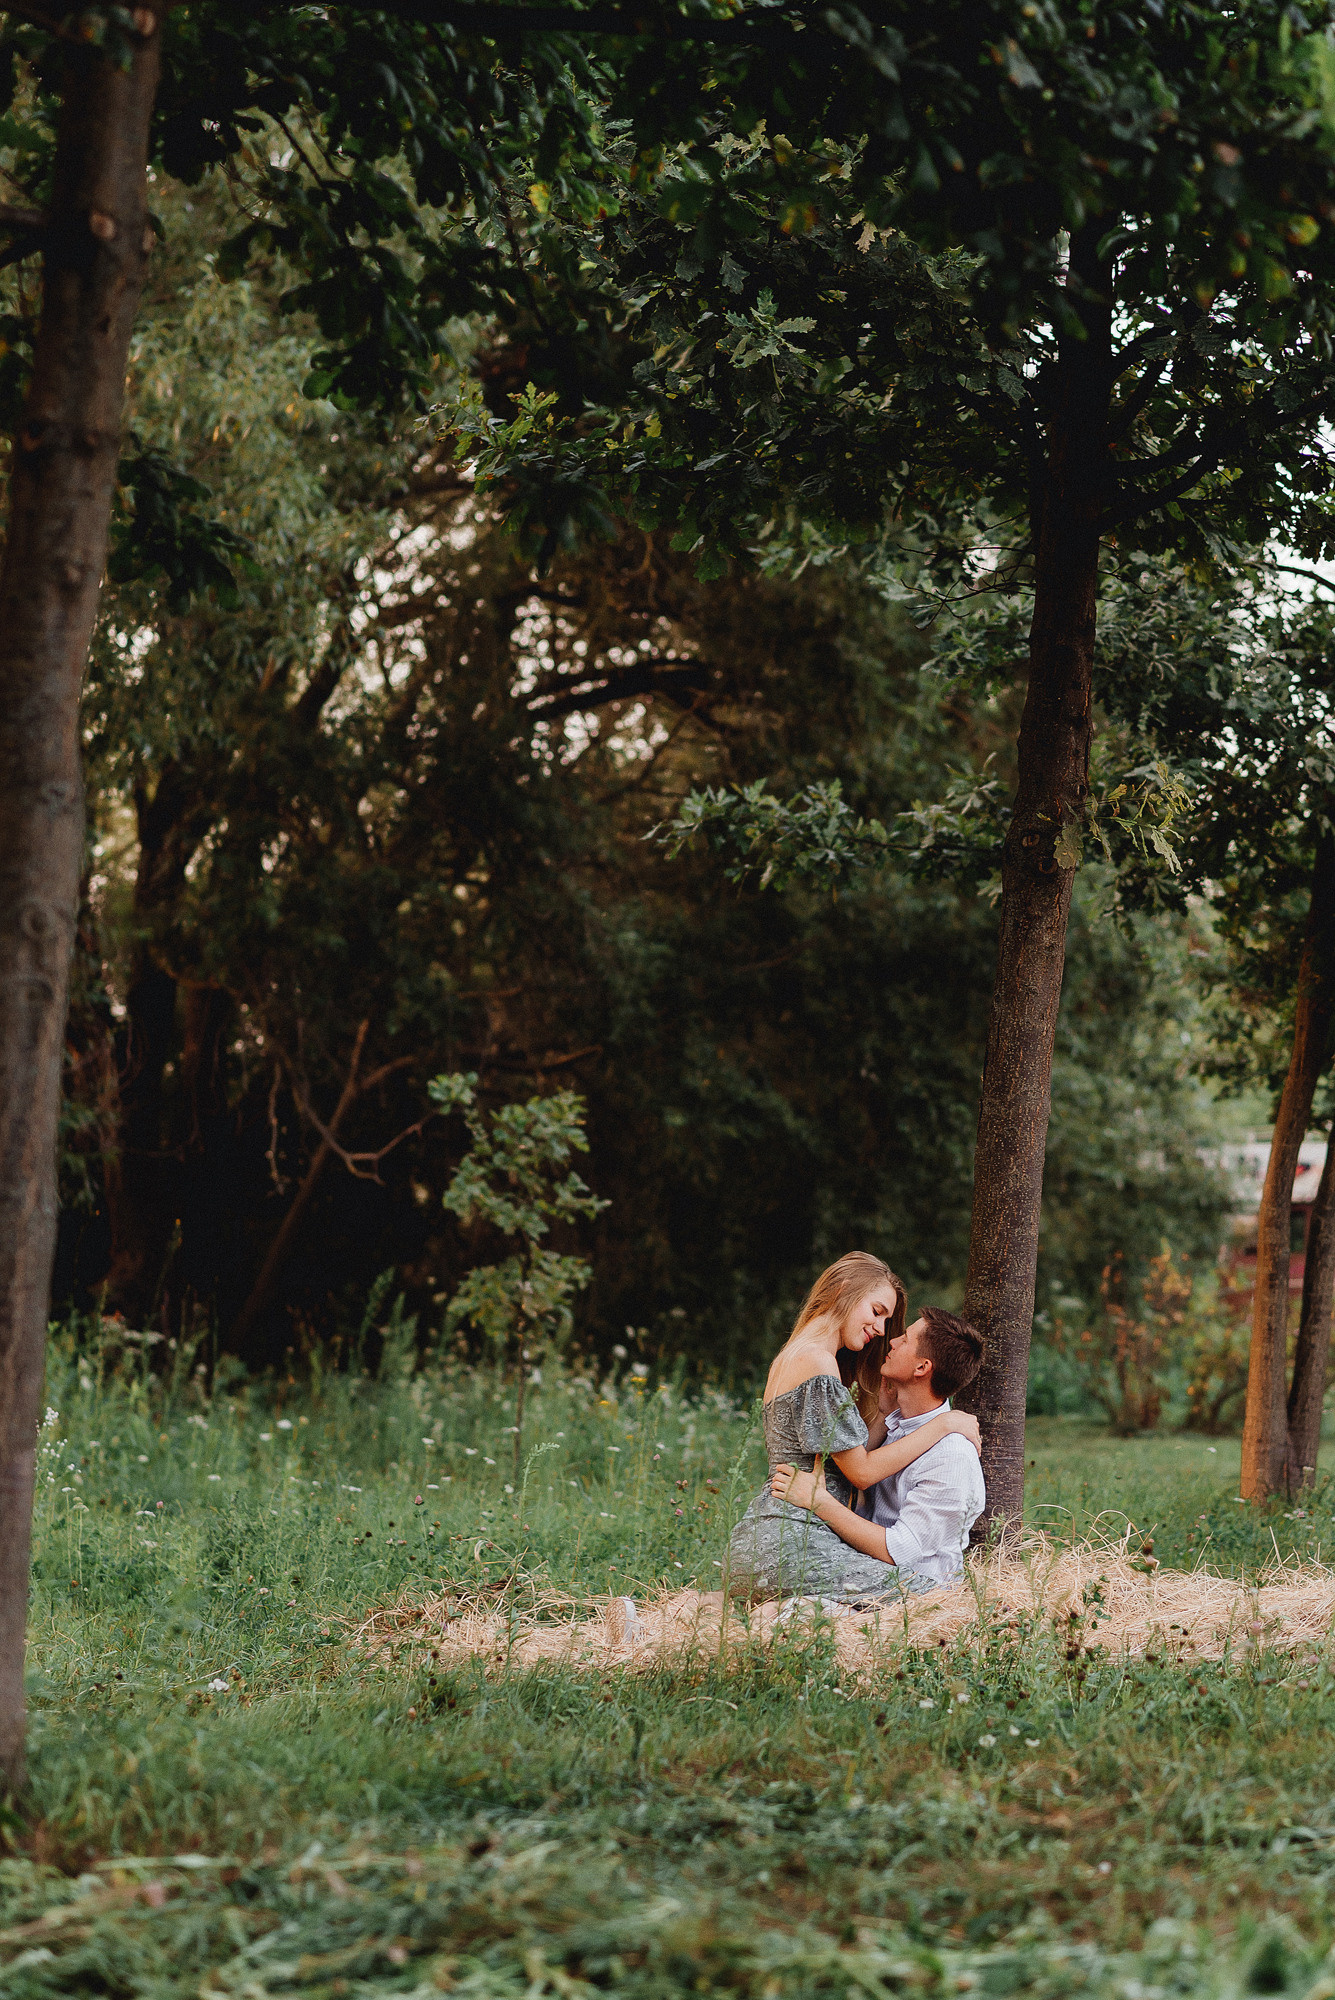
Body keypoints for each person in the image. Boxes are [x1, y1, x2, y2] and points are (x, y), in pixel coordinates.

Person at [725, 1252, 982, 1605]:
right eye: (876, 1311)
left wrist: (884, 1415)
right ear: (844, 1290)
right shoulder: (817, 1362)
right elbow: (860, 1472)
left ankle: (677, 1612)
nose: (881, 1331)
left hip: (770, 1533)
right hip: (795, 1540)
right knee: (937, 1601)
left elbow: (842, 1455)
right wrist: (946, 1422)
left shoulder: (797, 1356)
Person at [770, 1304, 986, 1593]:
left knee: (781, 1612)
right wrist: (885, 1416)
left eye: (906, 1339)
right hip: (870, 1573)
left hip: (916, 1593)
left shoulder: (952, 1455)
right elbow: (858, 1469)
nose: (892, 1340)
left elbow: (899, 1551)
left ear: (922, 1367)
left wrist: (817, 1501)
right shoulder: (901, 1427)